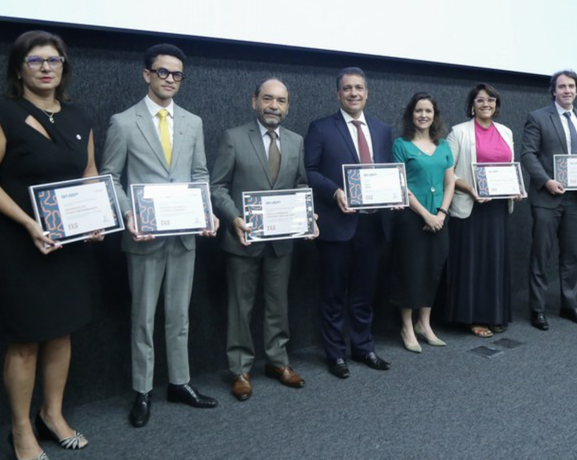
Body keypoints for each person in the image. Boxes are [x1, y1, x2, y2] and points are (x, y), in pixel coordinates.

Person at [0, 30, 98, 460]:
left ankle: (52, 415)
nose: (46, 68)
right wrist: (27, 222)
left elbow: (89, 173)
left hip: (69, 245)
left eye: (54, 60)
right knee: (24, 341)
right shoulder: (0, 114)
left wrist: (97, 217)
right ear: (19, 68)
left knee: (62, 333)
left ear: (64, 67)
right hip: (22, 244)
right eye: (36, 61)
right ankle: (21, 430)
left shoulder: (79, 116)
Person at [99, 43, 219, 428]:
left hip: (184, 236)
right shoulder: (123, 121)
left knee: (179, 316)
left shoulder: (193, 122)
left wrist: (206, 212)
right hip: (144, 237)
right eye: (162, 72)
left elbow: (200, 174)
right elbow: (110, 178)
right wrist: (129, 213)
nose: (170, 79)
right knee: (142, 318)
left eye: (177, 74)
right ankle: (143, 390)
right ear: (146, 74)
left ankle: (179, 382)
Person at [212, 77, 316, 401]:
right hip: (243, 239)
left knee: (277, 305)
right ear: (254, 100)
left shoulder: (297, 141)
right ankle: (240, 369)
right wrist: (234, 219)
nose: (274, 106)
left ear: (287, 106)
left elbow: (301, 184)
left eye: (281, 101)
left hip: (281, 241)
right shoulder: (233, 138)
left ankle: (277, 362)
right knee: (240, 308)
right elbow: (217, 187)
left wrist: (306, 211)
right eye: (268, 99)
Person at [304, 67, 393, 378]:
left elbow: (386, 172)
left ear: (366, 93)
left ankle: (363, 347)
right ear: (337, 94)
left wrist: (392, 193)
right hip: (337, 225)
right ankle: (335, 354)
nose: (353, 93)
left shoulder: (382, 129)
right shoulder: (321, 128)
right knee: (332, 294)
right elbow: (310, 171)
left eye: (358, 88)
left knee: (364, 293)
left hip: (373, 225)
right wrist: (335, 191)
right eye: (347, 88)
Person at [520, 69, 577, 331]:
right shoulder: (538, 117)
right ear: (553, 90)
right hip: (546, 198)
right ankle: (538, 309)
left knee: (572, 256)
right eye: (562, 87)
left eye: (571, 86)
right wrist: (546, 181)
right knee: (541, 256)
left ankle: (569, 305)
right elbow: (528, 154)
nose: (567, 91)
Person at [444, 83, 519, 337]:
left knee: (494, 262)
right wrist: (470, 190)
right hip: (470, 207)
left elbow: (510, 169)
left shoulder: (506, 132)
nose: (486, 104)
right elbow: (448, 173)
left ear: (496, 104)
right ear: (471, 105)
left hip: (497, 208)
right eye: (480, 100)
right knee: (473, 263)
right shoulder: (458, 133)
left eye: (491, 100)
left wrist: (516, 188)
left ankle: (494, 314)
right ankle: (472, 317)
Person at [390, 92, 454, 352]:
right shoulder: (401, 145)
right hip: (410, 219)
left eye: (428, 111)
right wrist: (425, 215)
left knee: (432, 270)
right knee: (410, 272)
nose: (423, 115)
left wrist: (441, 213)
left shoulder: (444, 146)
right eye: (419, 111)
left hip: (439, 218)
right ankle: (407, 326)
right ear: (411, 114)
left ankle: (424, 324)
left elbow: (450, 182)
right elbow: (400, 184)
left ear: (434, 115)